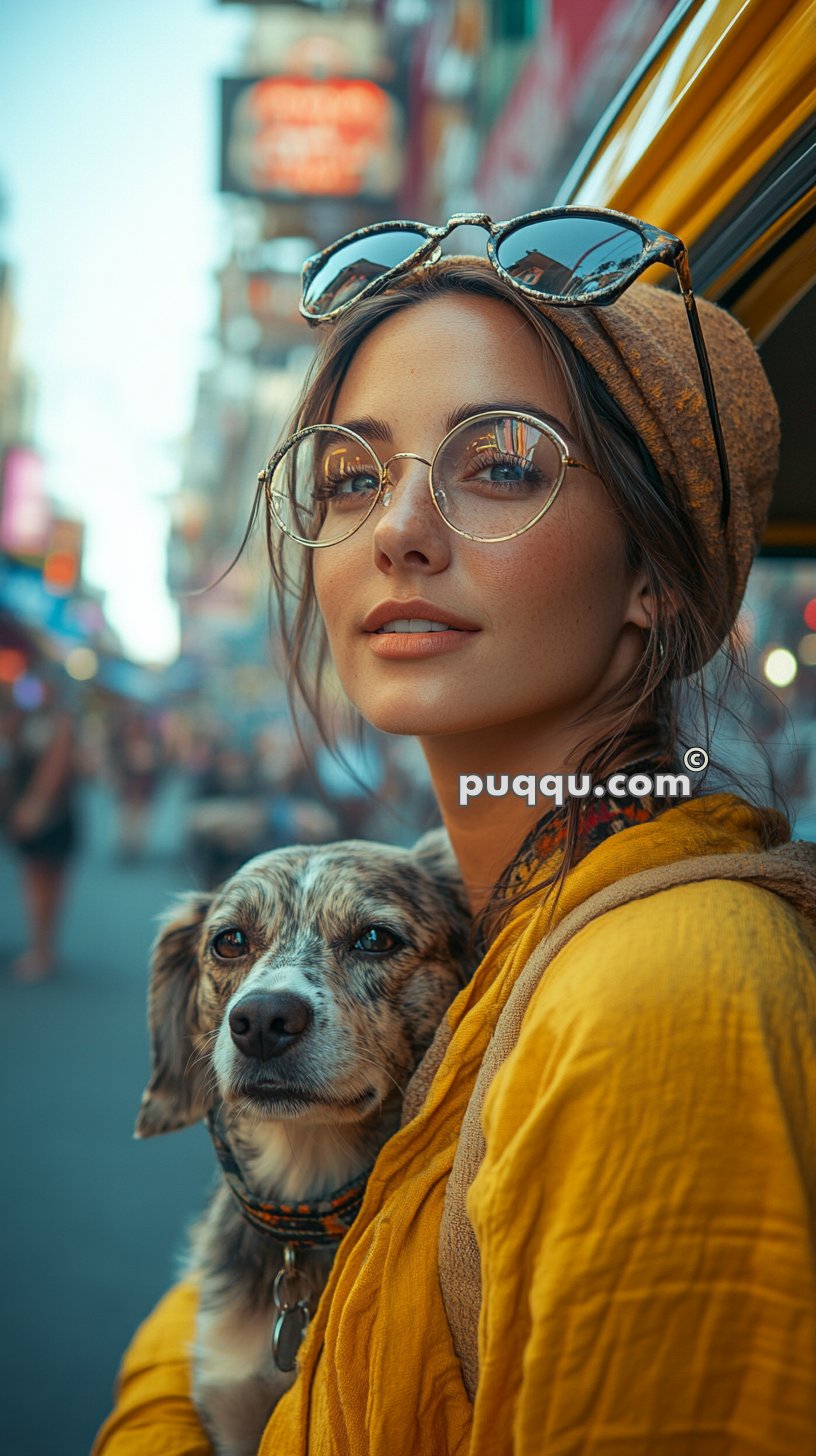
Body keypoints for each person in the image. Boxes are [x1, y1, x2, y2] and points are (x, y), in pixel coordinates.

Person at [94, 212, 816, 1454]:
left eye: (503, 465)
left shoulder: (665, 987)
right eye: (354, 477)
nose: (400, 530)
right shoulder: (515, 932)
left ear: (652, 575)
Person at [5, 671, 79, 982]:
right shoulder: (27, 718)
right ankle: (43, 946)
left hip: (51, 813)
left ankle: (41, 948)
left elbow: (56, 765)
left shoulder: (60, 722)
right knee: (41, 877)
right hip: (45, 810)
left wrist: (35, 803)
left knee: (43, 878)